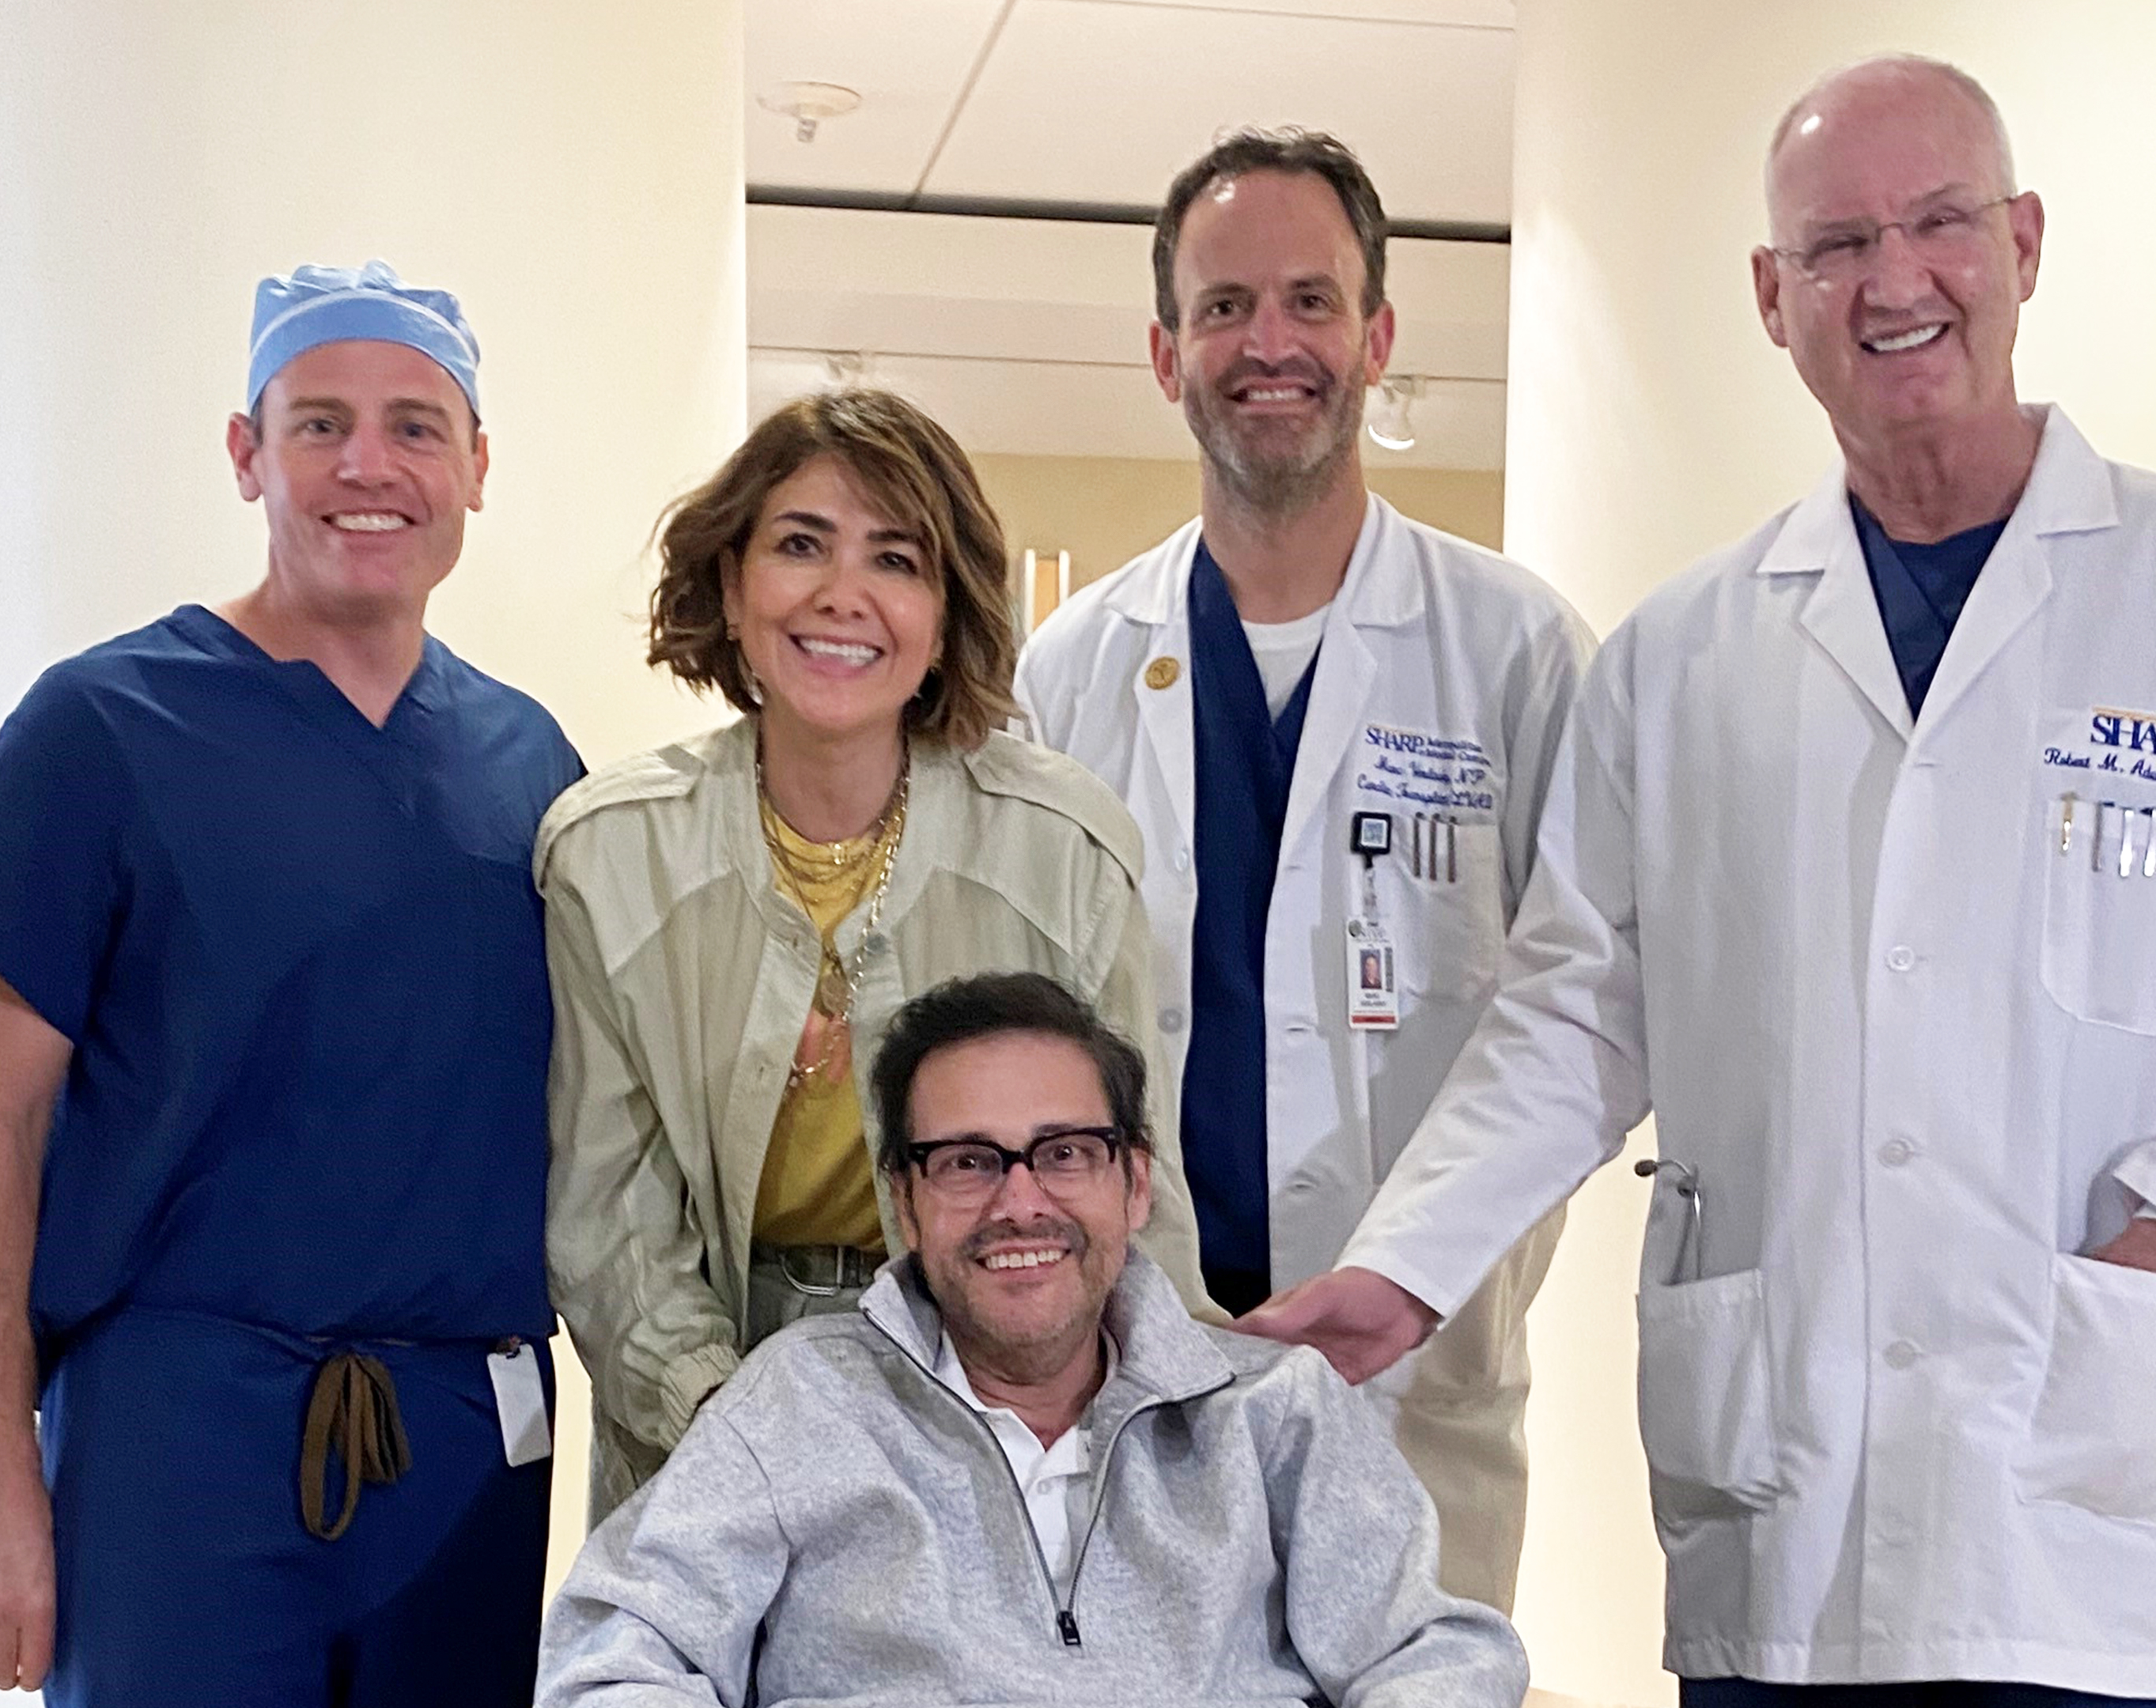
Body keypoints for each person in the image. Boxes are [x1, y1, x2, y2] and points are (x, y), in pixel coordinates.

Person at [1248, 55, 2156, 1706]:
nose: (1895, 279)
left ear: (2023, 242)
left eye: (1940, 221)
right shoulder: (1683, 655)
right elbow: (1574, 1013)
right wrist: (1405, 1266)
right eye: (1835, 245)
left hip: (2085, 1507)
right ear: (1772, 296)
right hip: (1782, 1505)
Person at [0, 260, 583, 1703]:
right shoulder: (102, 729)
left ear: (477, 467)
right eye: (319, 421)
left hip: (466, 1432)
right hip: (178, 1434)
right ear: (246, 453)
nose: (369, 465)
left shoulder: (533, 769)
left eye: (417, 426)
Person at [1013, 127, 1591, 1611]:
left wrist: (1429, 1271)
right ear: (1165, 352)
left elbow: (1582, 1007)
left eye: (1311, 302)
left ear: (1379, 336)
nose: (1269, 345)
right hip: (1131, 1370)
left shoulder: (1514, 651)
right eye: (1224, 308)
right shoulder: (1073, 669)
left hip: (1418, 1368)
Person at [541, 388, 1210, 1518]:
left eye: (896, 558)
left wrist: (1168, 1437)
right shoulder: (611, 854)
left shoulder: (1063, 850)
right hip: (699, 1402)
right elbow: (611, 1224)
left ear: (944, 617)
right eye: (801, 545)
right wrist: (733, 1422)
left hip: (1006, 1374)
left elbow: (1131, 1188)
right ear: (731, 585)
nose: (843, 594)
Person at [537, 970, 1525, 1708]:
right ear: (906, 1205)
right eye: (968, 1162)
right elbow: (612, 1654)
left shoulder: (1276, 1411)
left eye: (1063, 1155)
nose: (1020, 1203)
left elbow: (1437, 1656)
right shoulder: (796, 1404)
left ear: (1135, 1184)